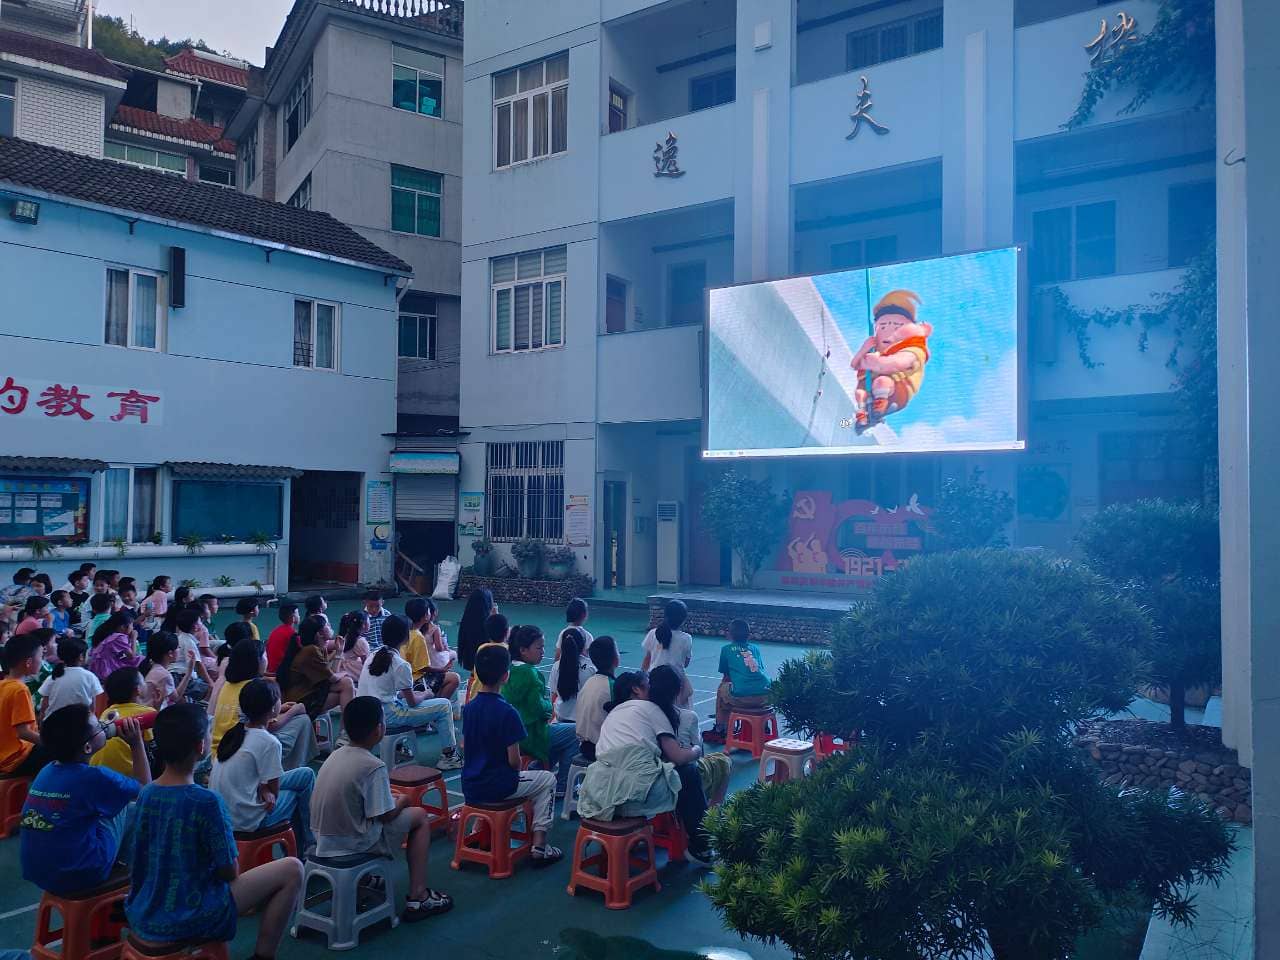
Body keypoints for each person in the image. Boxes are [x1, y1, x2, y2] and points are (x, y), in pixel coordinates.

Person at [125, 703, 303, 959]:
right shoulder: (206, 801)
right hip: (191, 915)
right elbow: (229, 871)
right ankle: (263, 956)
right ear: (201, 746)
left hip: (143, 912)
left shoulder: (147, 794)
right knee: (293, 869)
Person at [312, 696, 454, 920]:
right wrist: (403, 800)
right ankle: (419, 896)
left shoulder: (335, 756)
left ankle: (366, 879)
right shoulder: (373, 765)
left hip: (322, 841)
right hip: (352, 845)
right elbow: (386, 815)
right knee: (419, 816)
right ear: (379, 729)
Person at [19, 704, 149, 895]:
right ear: (87, 747)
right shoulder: (96, 777)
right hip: (82, 874)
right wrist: (136, 743)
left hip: (38, 872)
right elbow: (146, 790)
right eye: (99, 726)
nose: (104, 726)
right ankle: (131, 878)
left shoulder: (47, 770)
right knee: (133, 808)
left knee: (106, 805)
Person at [586, 669, 713, 863]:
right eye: (648, 684)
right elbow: (678, 757)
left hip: (600, 796)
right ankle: (701, 847)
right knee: (688, 772)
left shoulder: (614, 714)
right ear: (637, 689)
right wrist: (696, 749)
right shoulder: (652, 710)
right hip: (634, 797)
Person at [461, 644, 561, 864]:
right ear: (505, 676)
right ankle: (540, 845)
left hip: (470, 785)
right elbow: (515, 761)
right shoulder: (508, 712)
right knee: (547, 779)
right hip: (499, 785)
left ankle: (477, 830)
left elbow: (465, 746)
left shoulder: (469, 708)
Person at [211, 678, 315, 854]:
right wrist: (266, 789)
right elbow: (274, 792)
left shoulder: (234, 733)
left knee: (306, 775)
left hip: (225, 814)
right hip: (247, 821)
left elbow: (252, 779)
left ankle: (305, 844)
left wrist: (263, 788)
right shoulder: (269, 742)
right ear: (273, 708)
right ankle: (305, 847)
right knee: (297, 793)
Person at [357, 616, 461, 770]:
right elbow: (412, 702)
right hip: (389, 715)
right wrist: (426, 694)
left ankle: (398, 749)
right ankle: (450, 756)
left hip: (368, 711)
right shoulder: (401, 664)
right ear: (406, 637)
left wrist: (415, 695)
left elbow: (389, 692)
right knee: (444, 706)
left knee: (408, 701)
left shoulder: (374, 655)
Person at [502, 625, 577, 795]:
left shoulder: (510, 669)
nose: (543, 652)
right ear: (523, 650)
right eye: (539, 648)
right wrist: (549, 706)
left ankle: (539, 767)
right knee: (574, 733)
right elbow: (539, 708)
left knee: (559, 732)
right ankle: (562, 785)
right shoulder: (531, 674)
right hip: (532, 735)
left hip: (513, 737)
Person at [650, 665, 731, 806]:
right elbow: (697, 752)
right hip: (684, 772)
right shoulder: (688, 716)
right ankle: (714, 809)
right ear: (678, 689)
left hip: (656, 772)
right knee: (724, 761)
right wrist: (696, 750)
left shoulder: (645, 714)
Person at [706, 618, 771, 744]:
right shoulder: (755, 649)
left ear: (729, 634)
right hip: (766, 696)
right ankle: (764, 726)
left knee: (722, 689)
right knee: (754, 687)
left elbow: (727, 677)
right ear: (749, 635)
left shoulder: (726, 649)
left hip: (744, 698)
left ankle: (721, 728)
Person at [277, 617, 353, 718]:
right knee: (347, 683)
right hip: (299, 701)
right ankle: (347, 726)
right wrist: (345, 673)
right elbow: (333, 678)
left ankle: (347, 726)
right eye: (327, 625)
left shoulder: (319, 648)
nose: (330, 626)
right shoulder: (311, 650)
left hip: (310, 691)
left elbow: (331, 674)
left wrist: (339, 652)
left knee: (347, 688)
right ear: (319, 634)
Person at [90, 668, 156, 780]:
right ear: (138, 690)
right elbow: (149, 745)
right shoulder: (148, 712)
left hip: (98, 770)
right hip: (124, 776)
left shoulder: (108, 712)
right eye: (143, 681)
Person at [0, 632, 50, 776]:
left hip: (4, 753)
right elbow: (23, 732)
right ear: (28, 662)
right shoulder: (20, 689)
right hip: (15, 758)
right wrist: (51, 744)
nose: (42, 661)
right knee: (62, 753)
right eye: (41, 657)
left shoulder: (3, 684)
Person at [404, 598, 459, 701]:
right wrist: (442, 670)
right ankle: (439, 705)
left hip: (406, 676)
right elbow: (422, 668)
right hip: (415, 680)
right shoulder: (418, 636)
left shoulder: (405, 630)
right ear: (425, 616)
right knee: (455, 678)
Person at [641, 599, 695, 706]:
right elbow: (686, 663)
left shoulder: (653, 633)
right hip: (675, 681)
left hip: (654, 679)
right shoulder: (686, 638)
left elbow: (647, 658)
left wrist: (642, 674)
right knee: (683, 703)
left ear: (665, 615)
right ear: (683, 619)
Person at [575, 636, 619, 761]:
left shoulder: (589, 682)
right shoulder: (613, 686)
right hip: (602, 749)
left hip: (585, 746)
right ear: (615, 659)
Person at [38, 637, 104, 719]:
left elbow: (44, 706)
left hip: (53, 722)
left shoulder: (53, 677)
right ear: (81, 656)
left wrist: (42, 720)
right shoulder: (90, 677)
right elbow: (92, 708)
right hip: (80, 722)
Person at [548, 627, 595, 723]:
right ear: (583, 645)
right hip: (583, 721)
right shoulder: (592, 667)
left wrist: (550, 719)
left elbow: (553, 695)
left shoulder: (557, 666)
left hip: (561, 718)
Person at [463, 611, 509, 704]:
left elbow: (473, 675)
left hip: (476, 695)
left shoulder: (482, 648)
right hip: (496, 697)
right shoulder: (508, 650)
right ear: (507, 632)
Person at [140, 633, 195, 710]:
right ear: (170, 653)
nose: (179, 649)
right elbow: (176, 697)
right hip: (153, 713)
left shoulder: (150, 666)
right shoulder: (164, 675)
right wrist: (189, 672)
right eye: (178, 647)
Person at [86, 612, 142, 683]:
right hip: (106, 668)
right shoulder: (119, 637)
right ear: (122, 627)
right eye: (132, 625)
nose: (132, 628)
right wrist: (134, 638)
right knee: (140, 660)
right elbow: (132, 656)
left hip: (98, 666)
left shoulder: (107, 632)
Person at [173, 607, 213, 701]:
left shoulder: (182, 637)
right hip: (180, 676)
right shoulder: (189, 642)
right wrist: (210, 682)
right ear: (195, 627)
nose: (201, 623)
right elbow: (198, 665)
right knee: (210, 690)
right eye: (200, 621)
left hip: (177, 675)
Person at [456, 587, 495, 676]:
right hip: (488, 668)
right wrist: (495, 617)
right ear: (488, 604)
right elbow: (500, 640)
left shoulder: (466, 621)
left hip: (470, 665)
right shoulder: (489, 625)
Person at [332, 610, 370, 686]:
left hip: (340, 665)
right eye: (369, 620)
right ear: (364, 625)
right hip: (350, 669)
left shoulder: (347, 635)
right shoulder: (361, 641)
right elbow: (366, 663)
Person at [265, 603, 299, 676]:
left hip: (270, 669)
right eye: (297, 614)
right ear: (292, 617)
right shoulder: (292, 633)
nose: (299, 616)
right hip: (280, 671)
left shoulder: (276, 630)